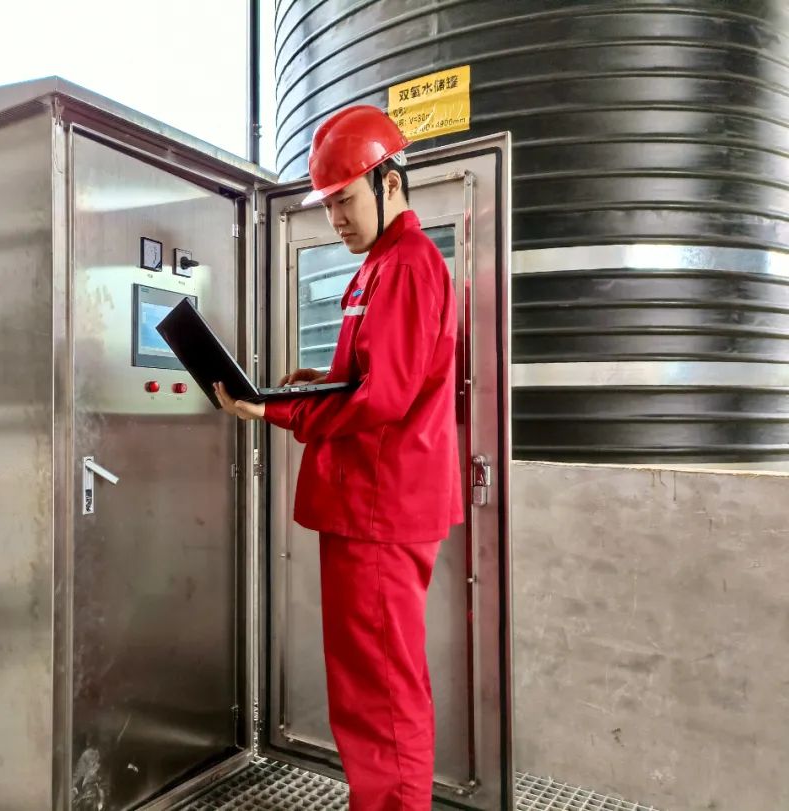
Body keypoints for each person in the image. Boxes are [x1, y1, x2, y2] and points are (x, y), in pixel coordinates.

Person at [214, 104, 463, 810]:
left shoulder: (407, 265)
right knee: (366, 683)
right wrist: (314, 382)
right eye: (327, 207)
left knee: (382, 691)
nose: (336, 220)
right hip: (365, 505)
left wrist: (276, 409)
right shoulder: (378, 267)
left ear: (390, 183)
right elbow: (373, 376)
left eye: (345, 200)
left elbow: (384, 397)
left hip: (382, 507)